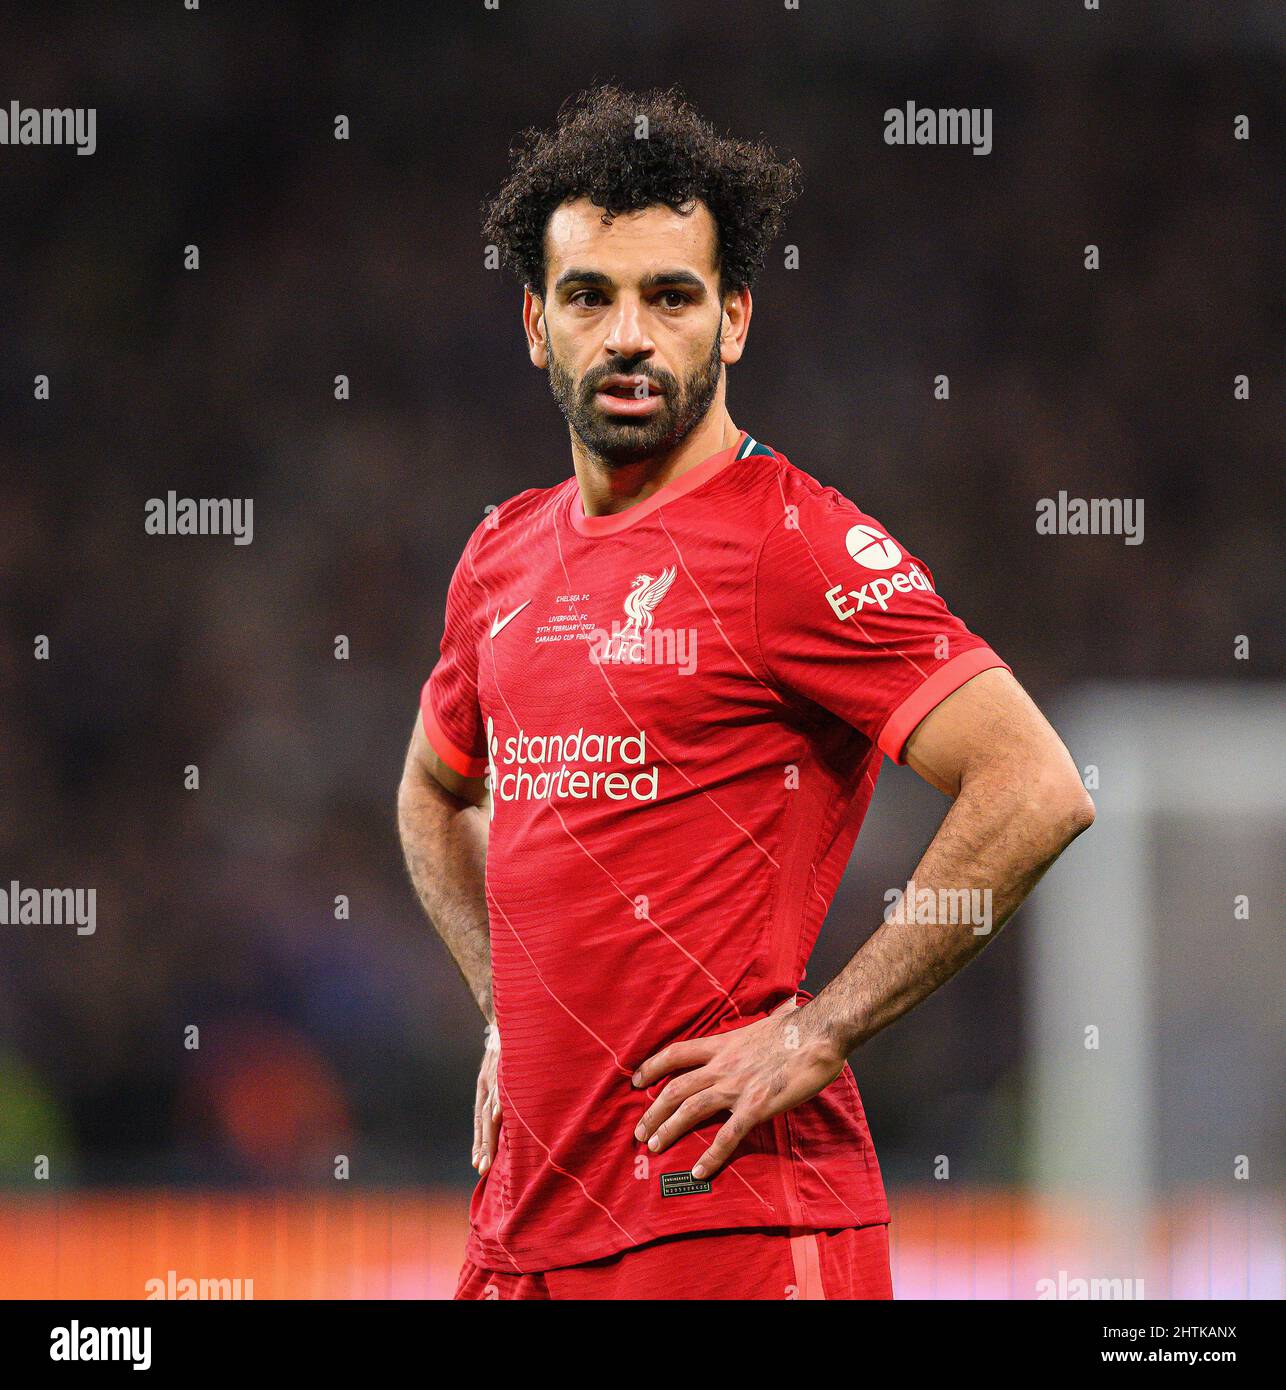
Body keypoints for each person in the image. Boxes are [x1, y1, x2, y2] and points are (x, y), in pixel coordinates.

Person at [397, 86, 1094, 1300]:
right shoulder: (499, 556)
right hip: (523, 1225)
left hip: (727, 1217)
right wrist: (515, 1009)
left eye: (669, 297)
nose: (627, 334)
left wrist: (814, 1030)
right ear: (532, 323)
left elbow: (1033, 785)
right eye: (588, 297)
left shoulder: (791, 545)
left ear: (732, 321)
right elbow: (432, 792)